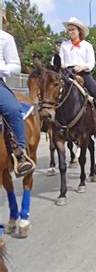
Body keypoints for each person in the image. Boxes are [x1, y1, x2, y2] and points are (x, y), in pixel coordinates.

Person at [59, 17, 96, 128]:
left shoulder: (87, 46)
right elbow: (61, 60)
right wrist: (62, 65)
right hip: (67, 73)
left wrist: (83, 67)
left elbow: (91, 63)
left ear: (79, 31)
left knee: (95, 92)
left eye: (73, 29)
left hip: (83, 73)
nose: (71, 32)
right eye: (69, 30)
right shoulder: (64, 45)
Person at [0, 30, 36, 177]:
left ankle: (19, 154)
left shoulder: (5, 38)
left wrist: (1, 69)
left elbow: (15, 66)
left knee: (13, 109)